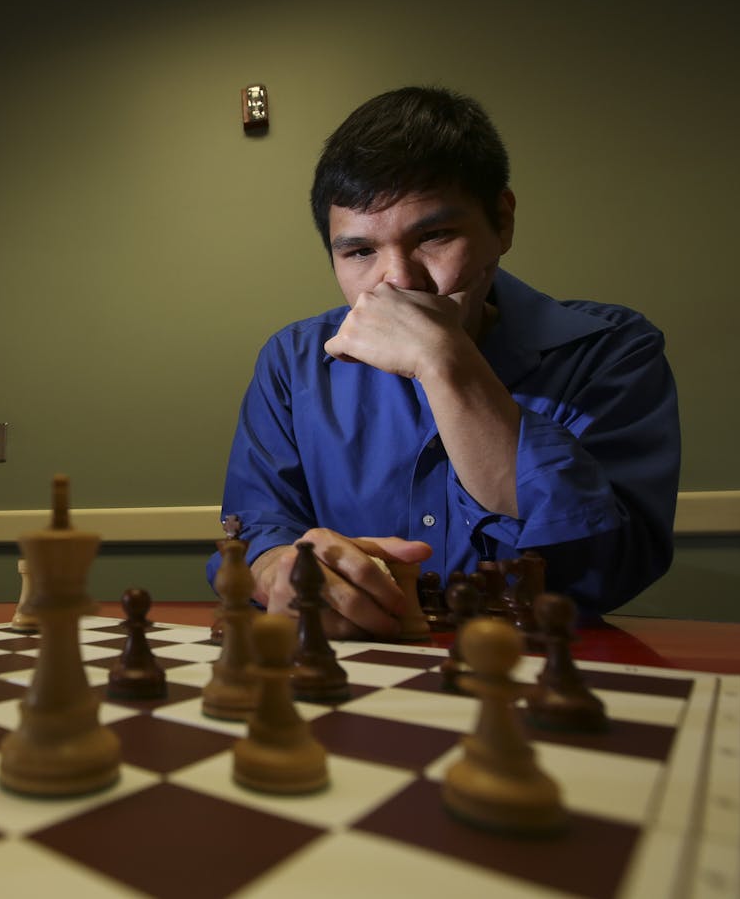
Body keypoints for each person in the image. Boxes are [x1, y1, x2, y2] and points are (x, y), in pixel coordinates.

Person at [206, 86, 680, 639]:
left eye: (434, 236)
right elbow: (258, 527)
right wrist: (277, 569)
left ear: (501, 222)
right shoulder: (294, 362)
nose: (400, 280)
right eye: (360, 252)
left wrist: (446, 362)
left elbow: (609, 570)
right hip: (354, 677)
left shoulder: (611, 350)